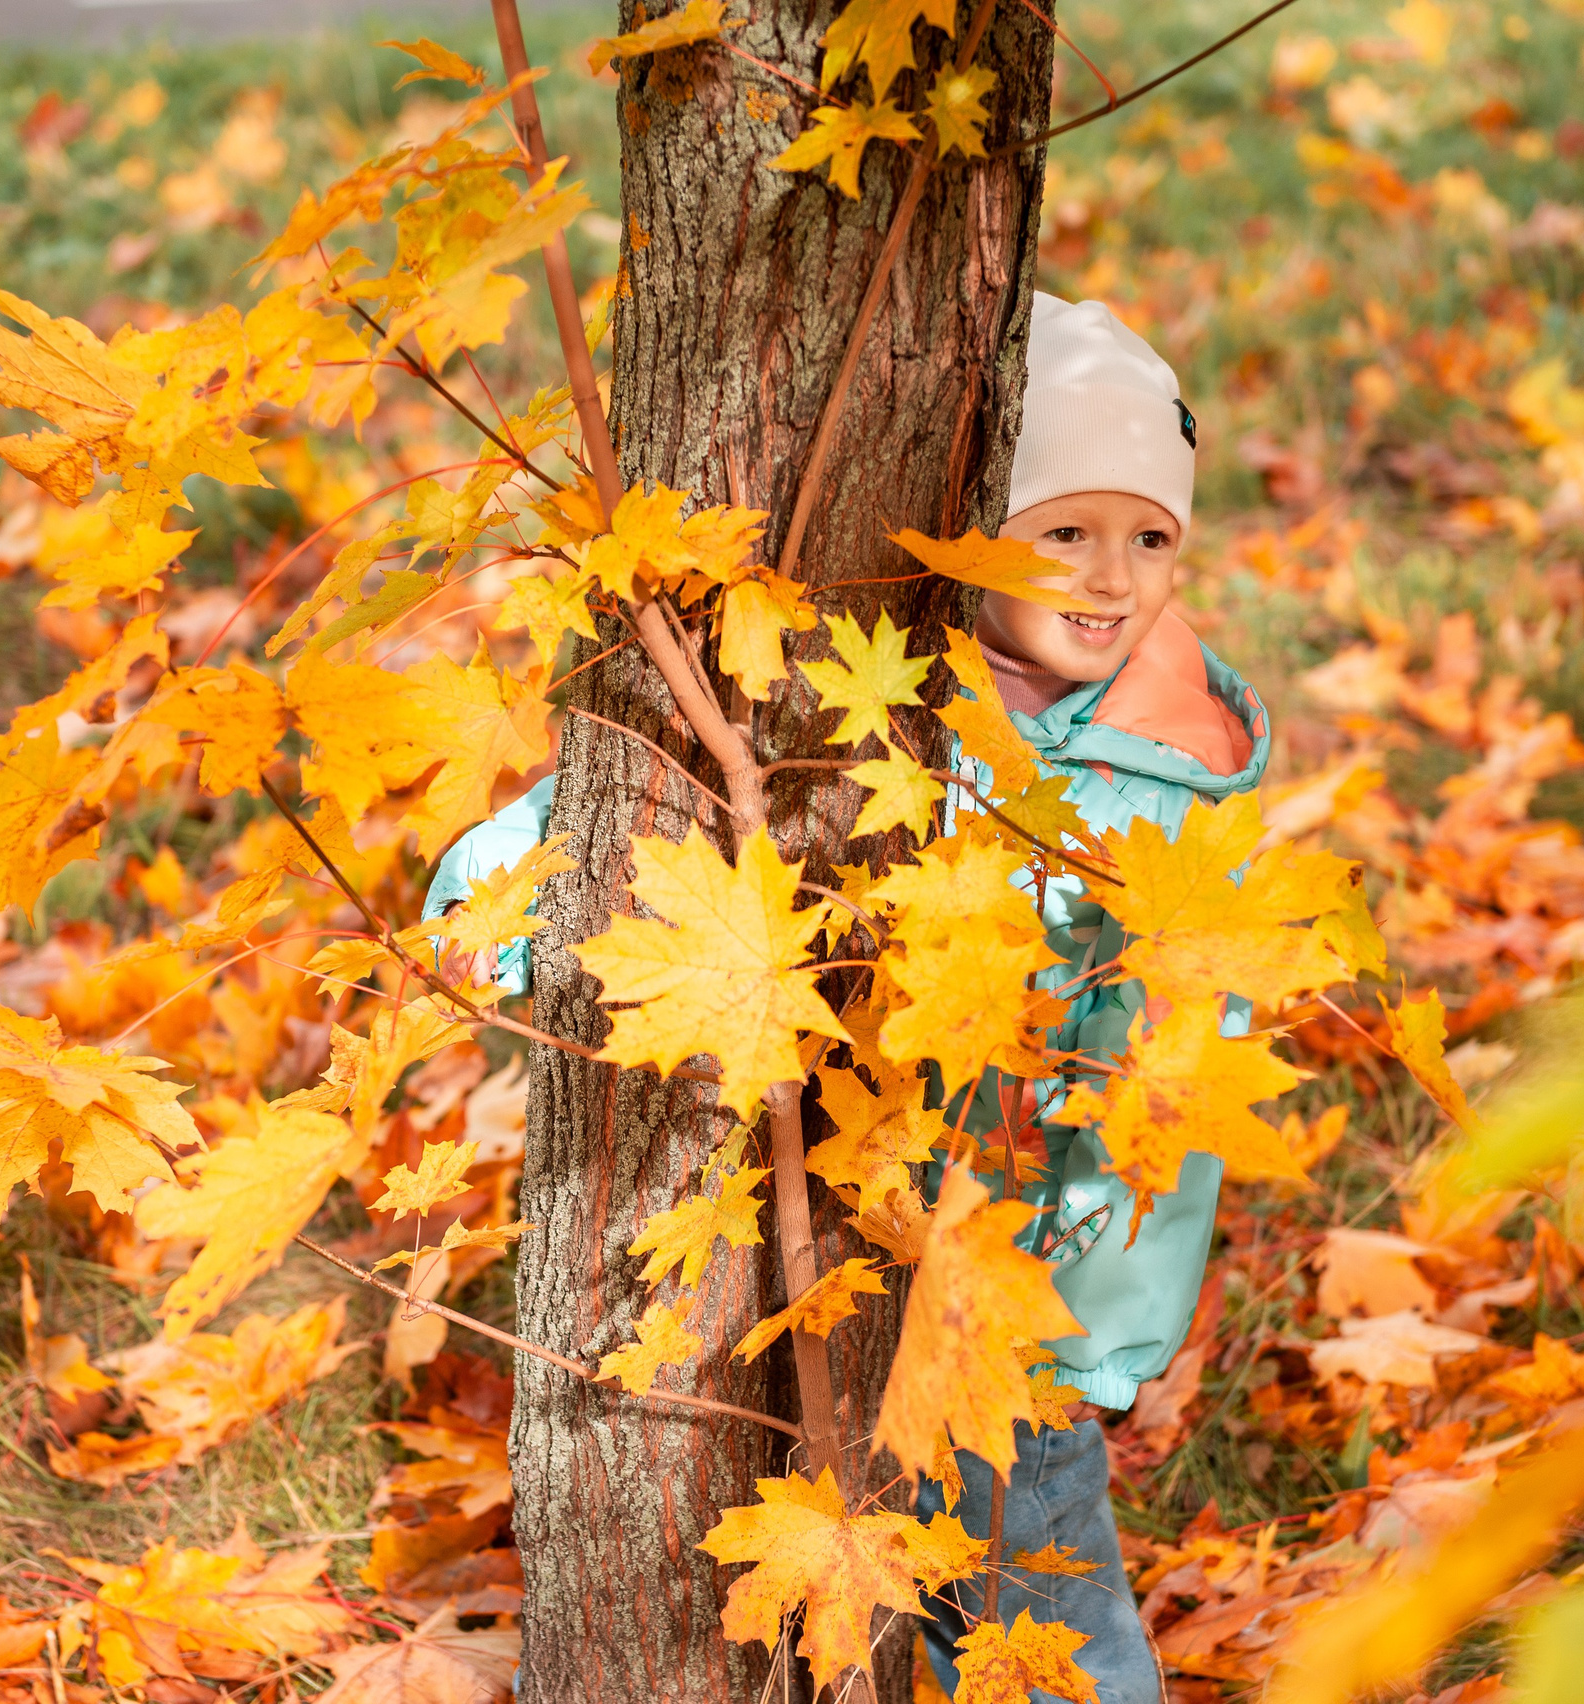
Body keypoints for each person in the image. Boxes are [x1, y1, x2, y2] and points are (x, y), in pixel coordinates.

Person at [423, 294, 1266, 1704]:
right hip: (805, 1259)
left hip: (1001, 1312)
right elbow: (646, 807)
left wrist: (1098, 1338)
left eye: (1152, 537)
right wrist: (490, 889)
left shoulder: (1158, 793)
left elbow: (1161, 1105)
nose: (1113, 576)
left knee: (1035, 1629)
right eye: (1065, 528)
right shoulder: (879, 694)